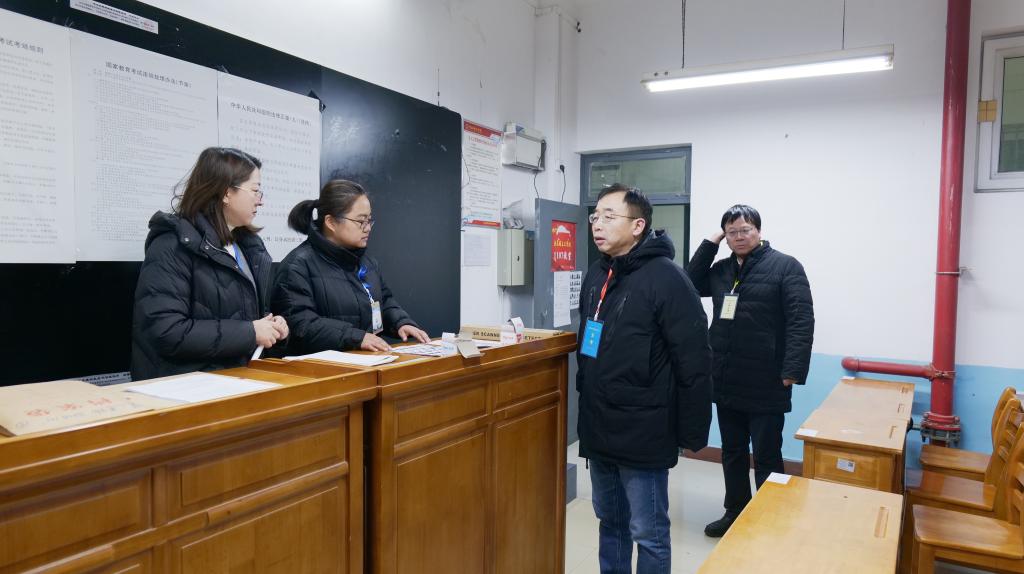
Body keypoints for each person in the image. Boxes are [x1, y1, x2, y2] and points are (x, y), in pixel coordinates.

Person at [577, 183, 712, 574]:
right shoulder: (598, 274)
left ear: (638, 226)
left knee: (648, 532)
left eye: (609, 216)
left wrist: (690, 431)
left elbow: (694, 361)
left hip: (644, 429)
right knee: (610, 522)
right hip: (599, 424)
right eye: (595, 216)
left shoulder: (668, 279)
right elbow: (589, 346)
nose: (597, 224)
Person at [685, 204, 814, 538]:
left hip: (767, 379)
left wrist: (792, 370)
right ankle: (736, 511)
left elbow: (801, 320)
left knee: (768, 453)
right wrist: (710, 242)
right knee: (732, 451)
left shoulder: (785, 266)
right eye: (732, 232)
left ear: (759, 231)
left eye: (745, 230)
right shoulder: (721, 269)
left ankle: (773, 518)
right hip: (726, 376)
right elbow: (689, 282)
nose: (739, 237)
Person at [131, 147, 289, 381]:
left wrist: (273, 327)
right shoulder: (172, 246)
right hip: (186, 387)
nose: (261, 201)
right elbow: (166, 330)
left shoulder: (247, 247)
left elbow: (246, 318)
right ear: (226, 193)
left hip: (237, 380)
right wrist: (250, 332)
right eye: (255, 190)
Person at [272, 179, 429, 354]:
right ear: (331, 222)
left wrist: (400, 322)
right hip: (322, 367)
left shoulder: (367, 262)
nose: (368, 228)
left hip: (367, 362)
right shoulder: (298, 266)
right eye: (361, 221)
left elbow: (383, 302)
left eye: (369, 220)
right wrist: (356, 337)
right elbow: (301, 324)